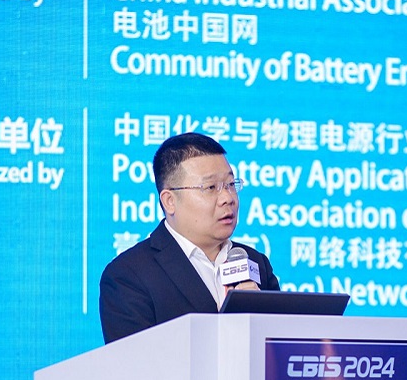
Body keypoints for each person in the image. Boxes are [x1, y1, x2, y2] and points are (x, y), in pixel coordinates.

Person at [99, 133, 279, 343]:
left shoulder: (256, 262)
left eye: (231, 184)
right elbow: (135, 359)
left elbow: (282, 348)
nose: (228, 198)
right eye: (210, 188)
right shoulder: (128, 276)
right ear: (169, 201)